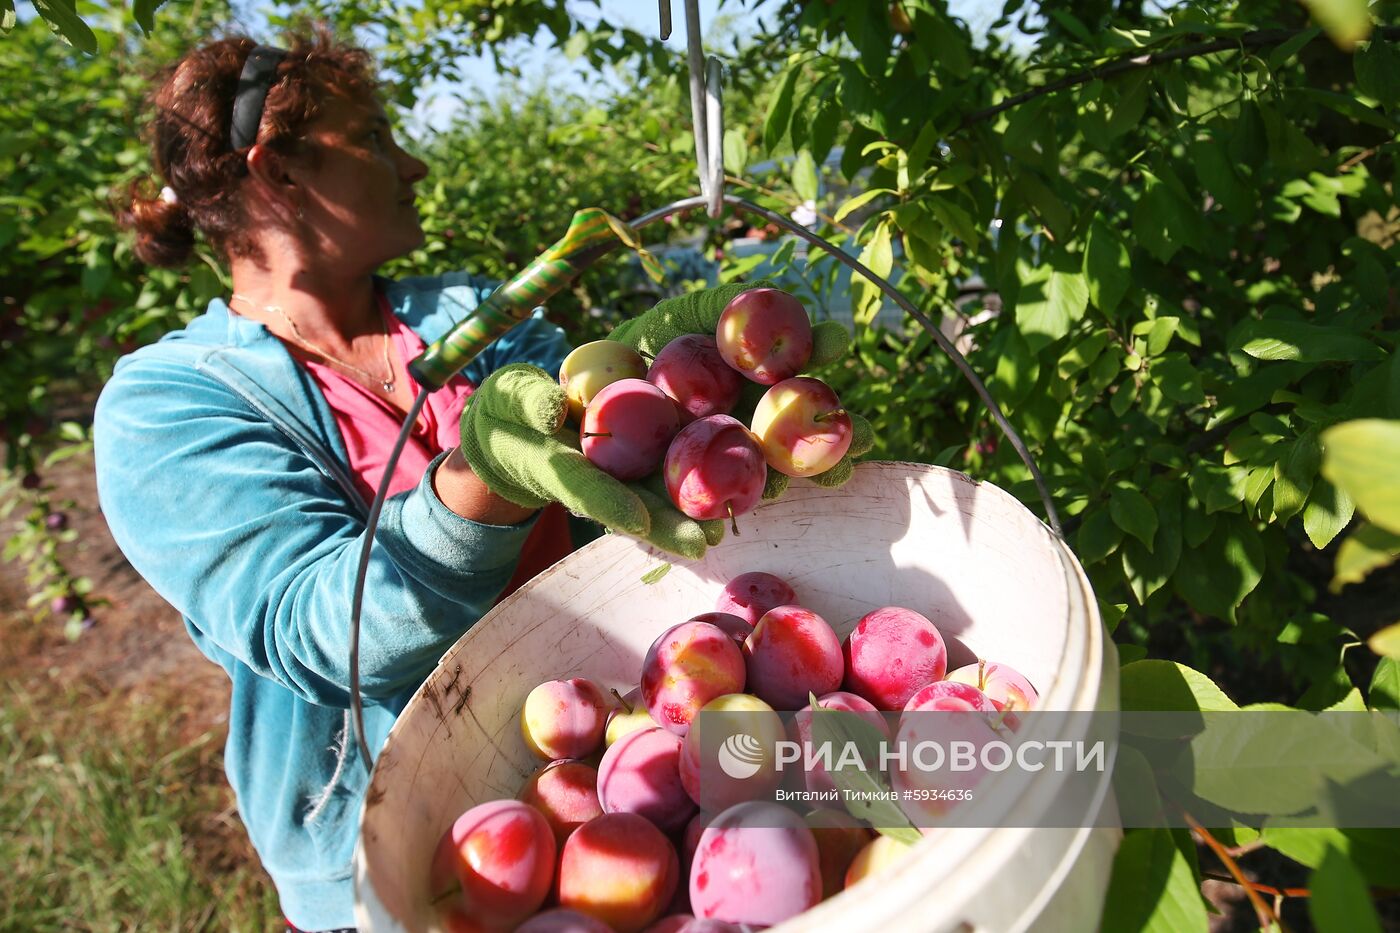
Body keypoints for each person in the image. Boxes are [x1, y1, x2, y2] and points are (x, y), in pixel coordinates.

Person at [96, 29, 579, 932]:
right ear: (279, 171)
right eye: (374, 138)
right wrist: (489, 473)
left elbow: (603, 443)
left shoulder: (473, 314)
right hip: (407, 842)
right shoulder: (166, 404)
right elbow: (325, 634)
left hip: (600, 751)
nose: (414, 164)